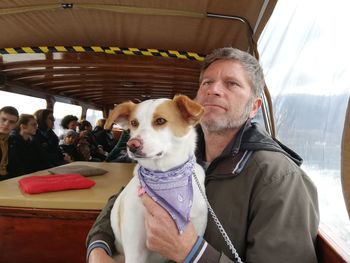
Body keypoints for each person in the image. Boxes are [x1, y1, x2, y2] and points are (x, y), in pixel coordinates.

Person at [86, 47, 319, 262]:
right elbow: (122, 200)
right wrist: (98, 248)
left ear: (254, 107)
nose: (213, 90)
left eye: (231, 84)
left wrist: (192, 253)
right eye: (207, 82)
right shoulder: (175, 153)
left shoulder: (278, 178)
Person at [0, 106, 19, 180]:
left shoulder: (13, 141)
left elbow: (16, 166)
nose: (6, 124)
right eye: (3, 119)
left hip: (8, 178)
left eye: (11, 122)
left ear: (15, 125)